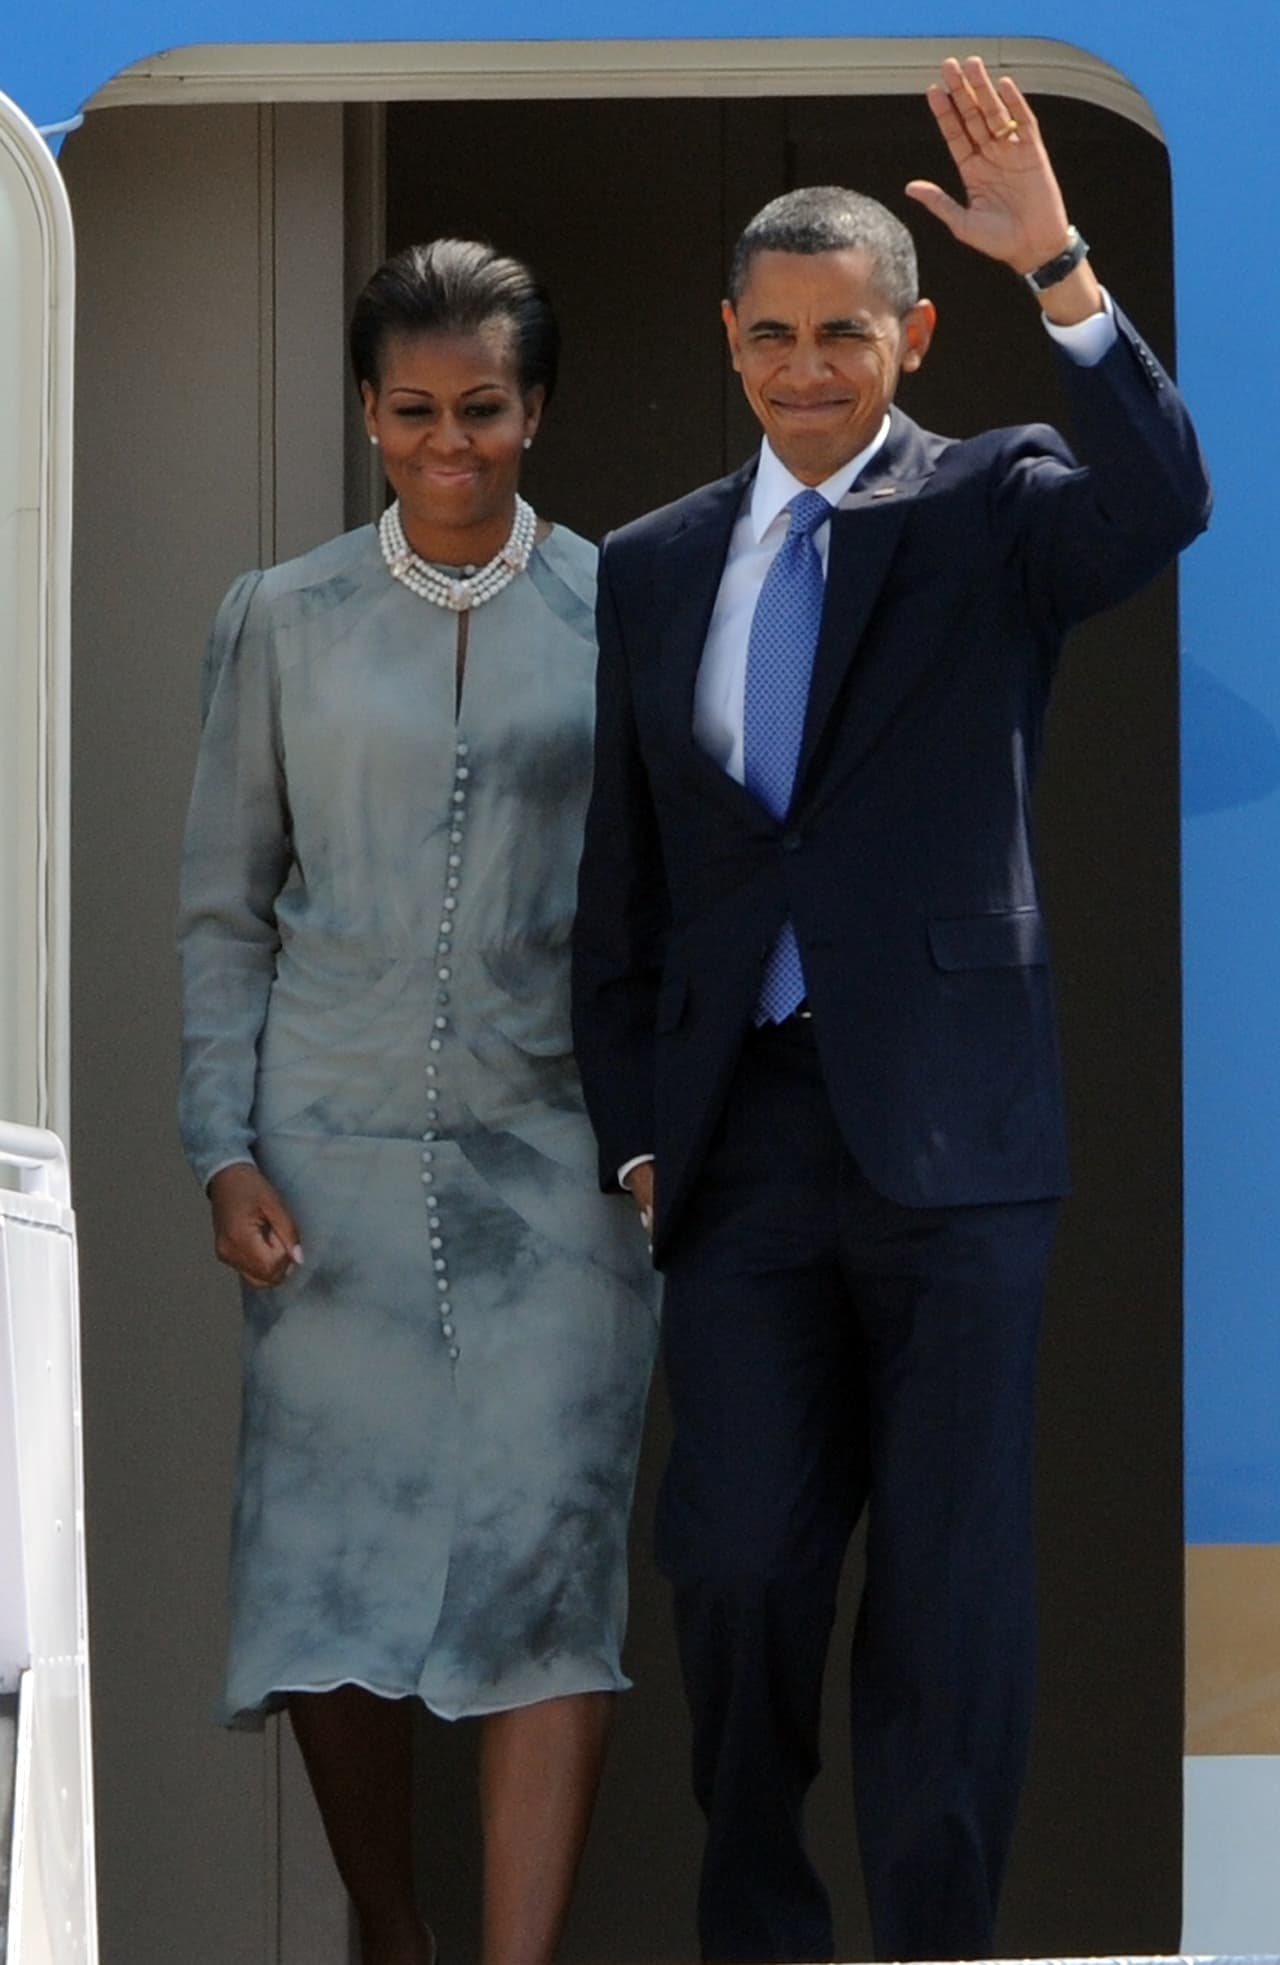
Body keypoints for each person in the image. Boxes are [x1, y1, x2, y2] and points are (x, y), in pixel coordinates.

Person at [571, 55, 1210, 1965]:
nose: (805, 371)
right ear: (730, 339)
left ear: (911, 333)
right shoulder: (659, 563)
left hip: (951, 1140)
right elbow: (632, 871)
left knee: (948, 1592)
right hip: (740, 1135)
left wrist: (1066, 273)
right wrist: (634, 1120)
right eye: (771, 338)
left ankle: (942, 1944)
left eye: (844, 335)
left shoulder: (997, 500)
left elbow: (1164, 497)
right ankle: (759, 1931)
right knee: (739, 1562)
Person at [178, 238, 657, 1965]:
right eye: (413, 412)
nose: (449, 445)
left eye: (484, 411)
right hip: (328, 1160)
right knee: (328, 1573)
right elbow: (228, 906)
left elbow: (676, 901)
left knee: (549, 1562)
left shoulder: (626, 611)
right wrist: (220, 1145)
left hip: (567, 1172)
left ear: (535, 409)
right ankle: (393, 1926)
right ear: (367, 412)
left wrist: (668, 1125)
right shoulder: (281, 617)